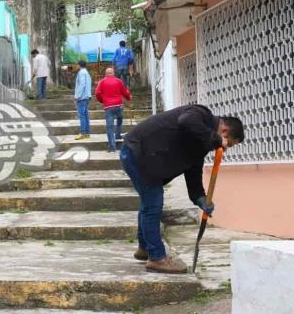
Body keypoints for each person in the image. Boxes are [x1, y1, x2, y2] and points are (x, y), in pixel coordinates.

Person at [120, 105, 244, 274]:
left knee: (149, 203)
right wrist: (215, 139)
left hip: (146, 157)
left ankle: (146, 248)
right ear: (224, 131)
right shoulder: (201, 114)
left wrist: (200, 197)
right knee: (152, 205)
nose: (225, 148)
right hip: (139, 151)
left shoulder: (201, 143)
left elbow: (193, 169)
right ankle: (157, 258)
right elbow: (186, 121)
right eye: (229, 143)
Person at [95, 68, 131, 152]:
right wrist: (128, 98)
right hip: (118, 105)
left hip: (108, 107)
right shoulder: (118, 81)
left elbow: (97, 93)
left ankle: (112, 147)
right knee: (120, 119)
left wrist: (102, 101)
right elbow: (124, 92)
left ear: (106, 74)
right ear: (113, 73)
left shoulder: (102, 82)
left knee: (110, 127)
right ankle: (118, 134)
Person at [74, 60, 92, 140]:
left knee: (82, 115)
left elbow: (82, 84)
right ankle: (87, 133)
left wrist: (77, 95)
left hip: (82, 97)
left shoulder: (81, 73)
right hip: (87, 96)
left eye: (77, 65)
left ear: (79, 65)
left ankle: (83, 133)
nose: (76, 66)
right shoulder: (87, 73)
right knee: (85, 115)